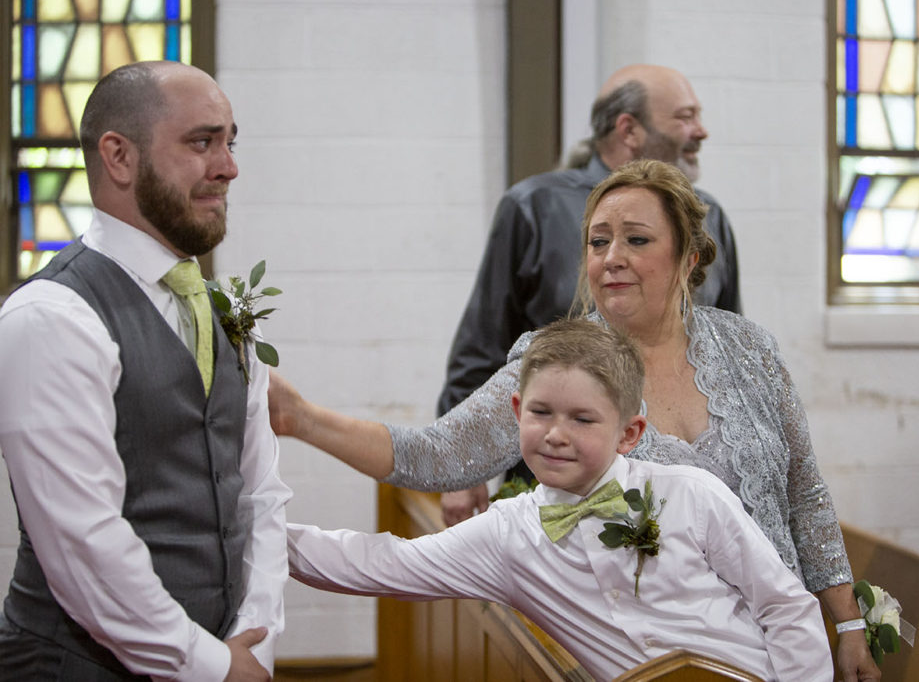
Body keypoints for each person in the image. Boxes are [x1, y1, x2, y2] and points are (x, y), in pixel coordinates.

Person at [270, 159, 880, 681]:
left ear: (688, 255)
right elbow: (436, 455)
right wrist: (301, 418)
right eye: (597, 241)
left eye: (636, 240)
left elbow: (805, 492)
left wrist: (846, 620)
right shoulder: (563, 366)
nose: (612, 258)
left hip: (786, 646)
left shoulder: (749, 348)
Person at [288, 319, 833, 681]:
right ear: (518, 410)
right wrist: (257, 529)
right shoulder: (507, 537)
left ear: (629, 433)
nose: (555, 434)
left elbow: (784, 606)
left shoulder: (691, 494)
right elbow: (383, 563)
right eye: (542, 412)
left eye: (582, 419)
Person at [0, 61, 290, 681]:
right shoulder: (52, 316)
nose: (228, 166)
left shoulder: (224, 310)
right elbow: (84, 543)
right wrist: (213, 666)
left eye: (229, 142)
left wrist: (256, 638)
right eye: (201, 142)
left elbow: (259, 495)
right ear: (119, 157)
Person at [439, 63, 742, 524]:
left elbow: (729, 355)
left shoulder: (708, 215)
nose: (700, 130)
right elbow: (481, 345)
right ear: (629, 129)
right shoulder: (534, 207)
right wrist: (461, 468)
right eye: (684, 116)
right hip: (563, 488)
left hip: (692, 503)